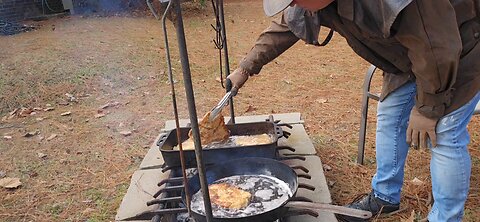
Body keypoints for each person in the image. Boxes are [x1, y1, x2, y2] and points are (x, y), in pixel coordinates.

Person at [226, 0, 480, 221]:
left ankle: (446, 218)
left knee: (445, 135)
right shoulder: (312, 3)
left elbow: (437, 46)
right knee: (389, 116)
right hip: (410, 58)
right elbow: (287, 26)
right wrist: (246, 68)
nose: (291, 5)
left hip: (461, 52)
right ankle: (385, 197)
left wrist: (428, 109)